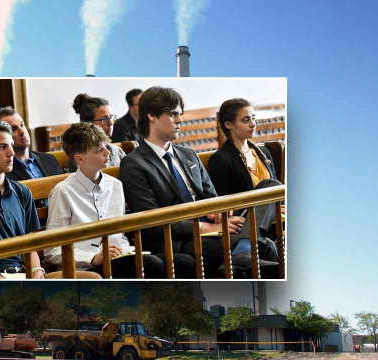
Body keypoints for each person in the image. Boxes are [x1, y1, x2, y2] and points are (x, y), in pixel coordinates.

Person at [120, 86, 245, 278]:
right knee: (252, 242)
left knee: (267, 192)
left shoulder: (188, 154)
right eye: (173, 114)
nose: (180, 120)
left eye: (180, 114)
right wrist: (207, 228)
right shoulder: (133, 164)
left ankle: (243, 253)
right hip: (178, 239)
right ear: (152, 116)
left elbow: (212, 196)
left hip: (211, 228)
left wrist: (220, 213)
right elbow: (153, 220)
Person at [0, 119, 99, 279]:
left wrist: (37, 271)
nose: (11, 153)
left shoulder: (22, 192)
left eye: (11, 145)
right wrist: (2, 281)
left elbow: (30, 243)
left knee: (93, 279)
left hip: (27, 274)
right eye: (2, 147)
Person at [44, 122, 166, 278]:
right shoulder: (63, 191)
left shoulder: (115, 185)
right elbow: (51, 250)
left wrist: (123, 249)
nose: (107, 152)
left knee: (179, 262)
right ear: (79, 158)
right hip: (85, 268)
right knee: (151, 264)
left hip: (117, 259)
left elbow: (119, 235)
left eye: (106, 146)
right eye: (99, 150)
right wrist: (93, 258)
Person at [207, 98, 284, 273]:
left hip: (273, 218)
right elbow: (222, 204)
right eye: (246, 120)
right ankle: (243, 249)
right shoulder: (220, 159)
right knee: (271, 185)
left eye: (254, 118)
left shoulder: (263, 152)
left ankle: (244, 251)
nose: (253, 124)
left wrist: (276, 206)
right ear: (228, 125)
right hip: (243, 221)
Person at [0, 107, 64, 181]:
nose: (22, 132)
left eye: (22, 125)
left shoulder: (49, 159)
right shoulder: (0, 171)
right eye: (13, 129)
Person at [68, 94, 126, 172]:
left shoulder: (118, 152)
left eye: (111, 117)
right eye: (104, 119)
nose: (111, 123)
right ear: (89, 123)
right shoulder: (81, 157)